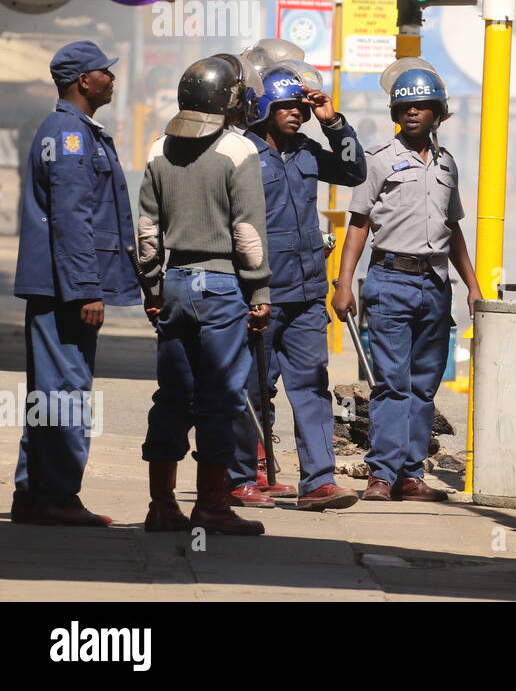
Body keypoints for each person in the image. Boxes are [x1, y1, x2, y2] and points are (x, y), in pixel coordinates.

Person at [331, 62, 483, 503]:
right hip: (389, 279)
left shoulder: (448, 165)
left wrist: (471, 286)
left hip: (436, 285)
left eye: (422, 106)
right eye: (406, 106)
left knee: (423, 386)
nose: (413, 112)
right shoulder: (379, 161)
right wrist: (344, 284)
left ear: (437, 112)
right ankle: (382, 473)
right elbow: (357, 224)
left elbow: (453, 230)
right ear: (396, 112)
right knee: (392, 383)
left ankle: (411, 476)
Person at [137, 54, 273, 536]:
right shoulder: (240, 151)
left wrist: (152, 289)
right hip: (222, 289)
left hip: (174, 284)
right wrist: (259, 293)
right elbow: (248, 233)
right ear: (229, 99)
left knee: (172, 396)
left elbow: (147, 233)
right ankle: (212, 507)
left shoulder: (158, 149)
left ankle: (161, 506)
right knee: (220, 399)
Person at [11, 41, 140, 527]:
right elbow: (71, 217)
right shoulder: (69, 134)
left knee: (51, 391)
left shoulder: (68, 129)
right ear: (83, 81)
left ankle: (35, 493)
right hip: (66, 289)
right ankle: (57, 496)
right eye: (104, 72)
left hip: (56, 286)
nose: (111, 78)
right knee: (65, 392)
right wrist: (87, 288)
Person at [227, 66, 366, 512]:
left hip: (307, 294)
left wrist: (331, 120)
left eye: (298, 107)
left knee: (311, 386)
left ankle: (319, 482)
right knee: (251, 388)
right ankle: (241, 477)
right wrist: (244, 291)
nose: (294, 115)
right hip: (261, 293)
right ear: (263, 108)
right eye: (285, 106)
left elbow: (352, 170)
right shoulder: (239, 153)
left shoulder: (307, 149)